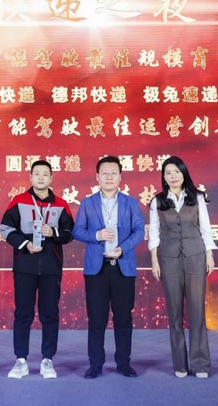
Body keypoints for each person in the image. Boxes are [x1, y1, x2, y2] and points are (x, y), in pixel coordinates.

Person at [0, 160, 74, 379]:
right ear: (30, 177)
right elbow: (5, 228)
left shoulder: (61, 204)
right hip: (25, 266)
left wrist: (53, 232)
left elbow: (70, 233)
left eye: (45, 174)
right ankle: (20, 360)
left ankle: (47, 359)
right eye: (37, 174)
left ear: (51, 178)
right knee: (23, 314)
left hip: (51, 268)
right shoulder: (18, 201)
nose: (41, 177)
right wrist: (25, 244)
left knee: (49, 314)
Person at [73, 156, 145, 379]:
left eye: (113, 173)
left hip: (123, 267)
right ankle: (95, 364)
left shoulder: (131, 203)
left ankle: (124, 363)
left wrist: (122, 249)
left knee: (123, 318)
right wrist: (97, 235)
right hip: (97, 270)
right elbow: (77, 231)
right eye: (105, 173)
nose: (109, 177)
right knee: (97, 319)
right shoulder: (88, 203)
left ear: (120, 177)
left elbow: (139, 231)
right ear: (97, 177)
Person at [148, 156, 217, 378]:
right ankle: (180, 364)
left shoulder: (197, 198)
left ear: (184, 173)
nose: (173, 176)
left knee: (197, 312)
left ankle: (201, 364)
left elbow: (205, 228)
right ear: (163, 177)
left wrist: (209, 255)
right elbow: (154, 234)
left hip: (195, 256)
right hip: (169, 259)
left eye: (176, 172)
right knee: (174, 313)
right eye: (168, 173)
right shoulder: (158, 201)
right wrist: (155, 261)